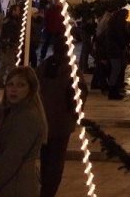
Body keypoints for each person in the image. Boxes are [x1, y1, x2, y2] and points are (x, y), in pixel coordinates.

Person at [0, 66, 48, 197]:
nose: (14, 89)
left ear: (30, 89)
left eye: (21, 85)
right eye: (10, 84)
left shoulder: (26, 117)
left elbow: (11, 159)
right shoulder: (15, 111)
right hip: (11, 182)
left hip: (15, 184)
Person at [37, 40, 87, 197]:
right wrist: (75, 113)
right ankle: (48, 191)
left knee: (45, 158)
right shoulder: (71, 69)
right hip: (61, 122)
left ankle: (44, 188)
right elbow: (80, 94)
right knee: (56, 161)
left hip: (43, 119)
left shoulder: (44, 66)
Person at [0, 4, 22, 88]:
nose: (19, 12)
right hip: (8, 46)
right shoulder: (11, 21)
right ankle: (14, 82)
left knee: (3, 64)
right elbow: (10, 35)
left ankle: (0, 82)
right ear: (13, 11)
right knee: (11, 65)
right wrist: (13, 44)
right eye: (17, 10)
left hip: (6, 45)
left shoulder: (8, 20)